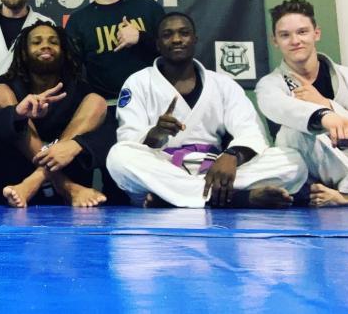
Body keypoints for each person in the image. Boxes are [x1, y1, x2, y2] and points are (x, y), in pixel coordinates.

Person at [106, 12, 307, 208]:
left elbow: (251, 131)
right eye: (167, 35)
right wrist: (155, 133)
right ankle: (234, 198)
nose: (176, 39)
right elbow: (128, 139)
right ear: (158, 44)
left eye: (184, 33)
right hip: (163, 166)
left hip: (216, 168)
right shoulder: (138, 82)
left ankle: (173, 197)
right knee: (119, 156)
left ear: (195, 40)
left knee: (293, 162)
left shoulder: (223, 84)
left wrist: (232, 156)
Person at [256, 0, 348, 207]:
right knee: (295, 131)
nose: (295, 40)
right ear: (275, 41)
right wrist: (324, 116)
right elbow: (284, 111)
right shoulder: (269, 85)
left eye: (302, 32)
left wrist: (328, 104)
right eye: (285, 35)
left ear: (316, 33)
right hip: (308, 167)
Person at [0, 21, 116, 207]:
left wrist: (75, 145)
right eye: (36, 42)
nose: (46, 46)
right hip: (13, 177)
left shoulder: (79, 88)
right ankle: (66, 187)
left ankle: (35, 180)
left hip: (65, 172)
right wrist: (18, 114)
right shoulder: (6, 85)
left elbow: (108, 135)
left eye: (53, 42)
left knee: (97, 101)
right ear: (23, 52)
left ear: (63, 51)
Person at [65, 0, 165, 103]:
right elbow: (71, 72)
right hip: (107, 107)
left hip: (152, 101)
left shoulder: (148, 7)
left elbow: (171, 52)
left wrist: (141, 37)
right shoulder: (77, 22)